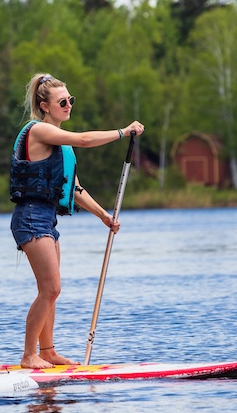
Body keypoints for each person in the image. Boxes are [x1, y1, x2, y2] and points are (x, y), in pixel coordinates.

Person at [10, 73, 144, 370]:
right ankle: (28, 355)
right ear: (45, 106)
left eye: (71, 100)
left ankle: (47, 351)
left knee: (51, 290)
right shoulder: (39, 131)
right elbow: (84, 139)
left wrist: (103, 216)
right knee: (51, 288)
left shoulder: (61, 147)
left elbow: (75, 189)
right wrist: (123, 132)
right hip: (30, 217)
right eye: (62, 101)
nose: (69, 105)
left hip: (47, 218)